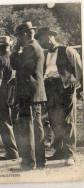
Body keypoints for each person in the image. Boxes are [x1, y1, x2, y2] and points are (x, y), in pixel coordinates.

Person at [35, 27, 83, 166]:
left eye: (42, 38)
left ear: (50, 37)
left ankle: (70, 154)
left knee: (67, 120)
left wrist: (79, 88)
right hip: (50, 88)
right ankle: (60, 151)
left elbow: (79, 69)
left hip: (65, 87)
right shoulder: (44, 54)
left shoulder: (67, 50)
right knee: (54, 120)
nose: (41, 42)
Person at [10, 22, 47, 169]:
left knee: (28, 127)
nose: (18, 39)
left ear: (25, 34)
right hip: (34, 93)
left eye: (18, 36)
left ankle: (29, 162)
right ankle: (39, 161)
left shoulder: (29, 48)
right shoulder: (36, 46)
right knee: (36, 127)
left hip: (29, 94)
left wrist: (14, 50)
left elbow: (16, 65)